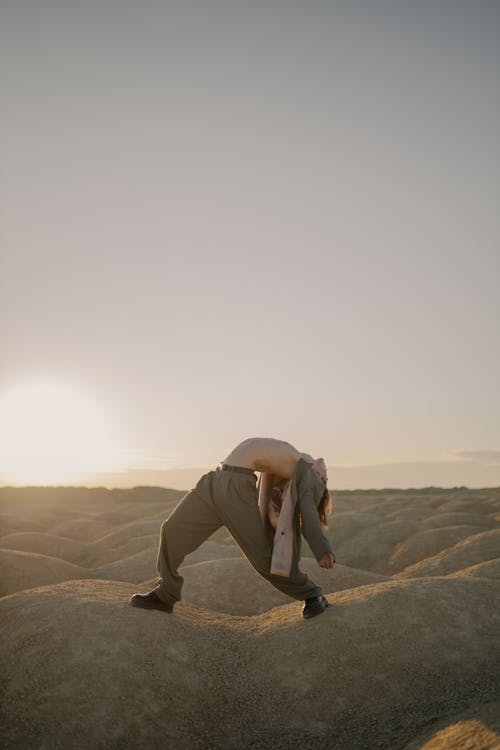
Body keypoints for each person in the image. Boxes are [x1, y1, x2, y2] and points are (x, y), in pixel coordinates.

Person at [129, 437, 336, 619]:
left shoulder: (311, 477)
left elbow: (308, 514)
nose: (324, 465)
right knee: (172, 529)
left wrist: (322, 550)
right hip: (216, 479)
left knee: (264, 559)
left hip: (237, 487)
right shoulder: (300, 460)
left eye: (324, 474)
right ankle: (165, 595)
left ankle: (313, 596)